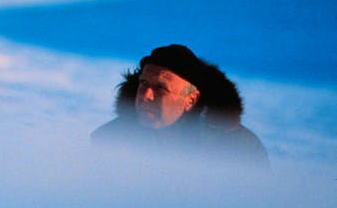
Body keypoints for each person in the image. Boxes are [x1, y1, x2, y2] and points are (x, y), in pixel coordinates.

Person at [91, 44, 269, 167]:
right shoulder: (110, 140)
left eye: (161, 88)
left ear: (190, 100)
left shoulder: (239, 149)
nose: (146, 96)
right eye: (143, 84)